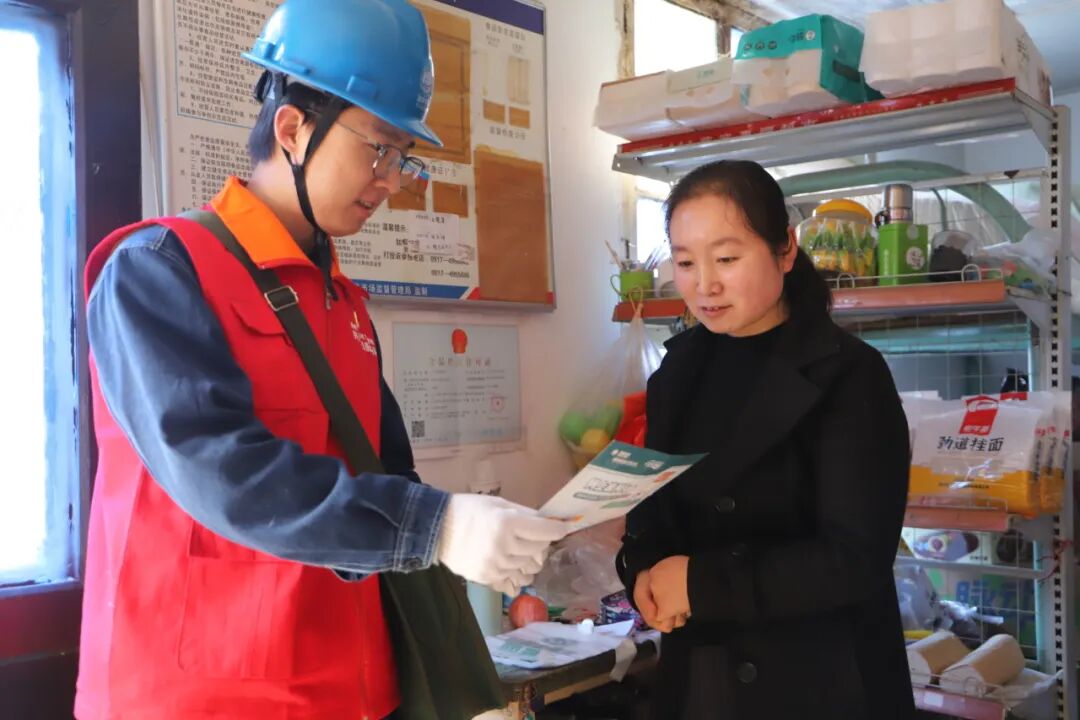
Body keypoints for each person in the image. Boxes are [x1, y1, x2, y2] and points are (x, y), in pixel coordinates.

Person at [75, 1, 567, 717]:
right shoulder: (158, 270)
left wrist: (480, 526)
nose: (391, 180)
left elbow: (387, 476)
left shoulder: (344, 304)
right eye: (379, 149)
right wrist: (437, 527)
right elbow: (223, 472)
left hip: (346, 689)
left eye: (403, 157)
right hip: (204, 698)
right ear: (292, 129)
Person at [616, 160, 914, 719]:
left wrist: (701, 584)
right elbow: (651, 511)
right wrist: (643, 574)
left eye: (727, 259)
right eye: (685, 262)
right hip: (700, 676)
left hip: (817, 682)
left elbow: (855, 557)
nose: (704, 284)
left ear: (785, 249)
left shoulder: (850, 374)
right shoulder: (675, 374)